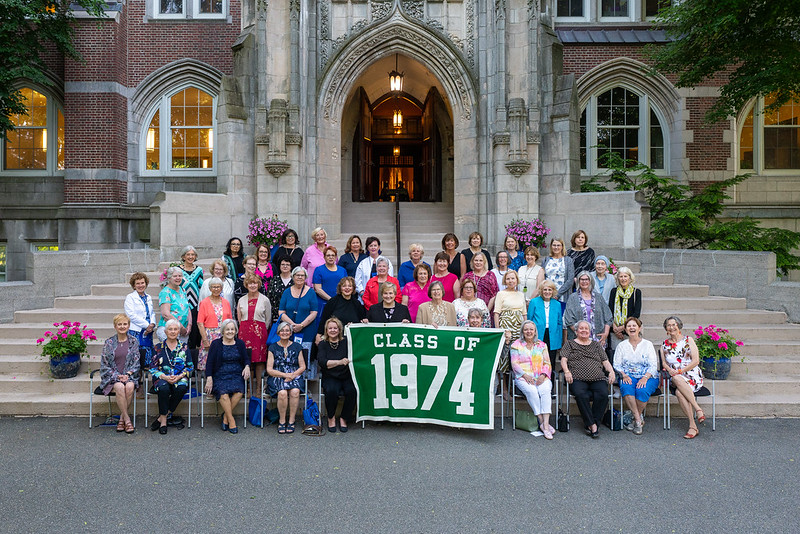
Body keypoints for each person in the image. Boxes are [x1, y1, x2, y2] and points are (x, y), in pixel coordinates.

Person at [560, 320, 616, 438]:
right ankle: (593, 425)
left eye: (586, 329)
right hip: (577, 377)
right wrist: (566, 371)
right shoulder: (570, 344)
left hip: (597, 377)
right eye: (581, 328)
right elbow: (563, 359)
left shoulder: (596, 345)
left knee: (603, 394)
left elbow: (605, 361)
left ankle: (591, 422)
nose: (584, 330)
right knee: (581, 395)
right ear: (576, 331)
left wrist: (611, 372)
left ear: (590, 332)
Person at [661, 315, 705, 439]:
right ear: (666, 329)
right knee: (675, 378)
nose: (671, 327)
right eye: (669, 325)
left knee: (680, 393)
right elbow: (664, 363)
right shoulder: (664, 345)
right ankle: (697, 410)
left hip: (691, 374)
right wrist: (670, 370)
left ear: (679, 326)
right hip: (675, 375)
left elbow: (696, 361)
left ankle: (693, 426)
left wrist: (681, 370)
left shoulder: (688, 340)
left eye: (674, 324)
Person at [204, 319, 251, 434]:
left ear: (235, 331)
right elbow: (209, 362)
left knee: (239, 391)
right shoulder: (216, 344)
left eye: (232, 329)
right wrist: (209, 378)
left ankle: (225, 417)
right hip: (220, 375)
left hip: (236, 374)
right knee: (223, 394)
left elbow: (246, 359)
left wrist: (247, 366)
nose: (230, 331)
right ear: (223, 331)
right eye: (227, 329)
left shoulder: (240, 343)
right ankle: (231, 420)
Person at [613, 317, 658, 435]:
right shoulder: (622, 346)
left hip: (648, 376)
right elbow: (617, 364)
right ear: (626, 330)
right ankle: (638, 420)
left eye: (634, 326)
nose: (631, 328)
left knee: (642, 390)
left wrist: (645, 377)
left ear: (639, 328)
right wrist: (624, 375)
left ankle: (634, 417)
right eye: (629, 326)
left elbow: (653, 365)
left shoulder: (648, 344)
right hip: (628, 375)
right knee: (627, 388)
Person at [510, 321, 554, 440]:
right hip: (523, 378)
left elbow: (547, 363)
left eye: (531, 329)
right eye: (526, 330)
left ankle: (545, 424)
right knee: (532, 392)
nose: (529, 332)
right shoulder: (516, 345)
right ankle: (542, 421)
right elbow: (514, 364)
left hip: (541, 377)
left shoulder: (542, 345)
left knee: (545, 390)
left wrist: (543, 375)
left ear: (535, 331)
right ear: (522, 332)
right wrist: (525, 375)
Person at [150, 319, 194, 435]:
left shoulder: (184, 347)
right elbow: (153, 368)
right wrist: (164, 377)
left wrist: (179, 377)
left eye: (175, 329)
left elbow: (190, 367)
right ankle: (164, 422)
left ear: (179, 332)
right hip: (162, 377)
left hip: (179, 377)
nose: (173, 332)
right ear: (165, 331)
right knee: (163, 388)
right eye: (170, 329)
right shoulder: (158, 347)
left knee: (181, 388)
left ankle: (161, 417)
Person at [99, 314, 140, 434]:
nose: (122, 326)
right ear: (115, 326)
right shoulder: (109, 342)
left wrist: (127, 374)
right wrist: (117, 376)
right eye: (120, 324)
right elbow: (104, 364)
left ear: (128, 325)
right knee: (120, 386)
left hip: (130, 376)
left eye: (125, 324)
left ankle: (122, 418)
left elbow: (136, 362)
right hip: (112, 378)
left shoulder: (134, 341)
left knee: (130, 386)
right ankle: (127, 420)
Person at [267, 322, 306, 434]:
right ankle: (282, 420)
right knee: (282, 393)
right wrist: (285, 375)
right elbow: (269, 369)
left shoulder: (297, 346)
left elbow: (303, 366)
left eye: (287, 330)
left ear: (291, 332)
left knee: (294, 391)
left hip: (294, 375)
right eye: (282, 330)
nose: (285, 332)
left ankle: (292, 420)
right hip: (278, 375)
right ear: (278, 332)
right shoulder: (272, 347)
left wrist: (292, 375)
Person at [318, 317, 355, 433]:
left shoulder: (346, 342)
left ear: (340, 330)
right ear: (326, 330)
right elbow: (323, 363)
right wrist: (339, 362)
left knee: (352, 391)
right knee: (331, 390)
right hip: (330, 376)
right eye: (330, 328)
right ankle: (331, 417)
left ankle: (344, 418)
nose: (333, 330)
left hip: (346, 375)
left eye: (335, 328)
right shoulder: (323, 344)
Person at [237, 274, 271, 393]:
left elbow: (268, 319)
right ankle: (249, 388)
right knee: (247, 360)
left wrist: (259, 330)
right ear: (246, 285)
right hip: (245, 333)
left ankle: (258, 389)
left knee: (260, 360)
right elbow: (239, 319)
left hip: (259, 333)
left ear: (259, 285)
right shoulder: (241, 300)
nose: (252, 285)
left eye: (255, 283)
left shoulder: (265, 300)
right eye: (250, 283)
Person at [564, 271, 612, 345]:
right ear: (578, 281)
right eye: (582, 279)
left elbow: (608, 317)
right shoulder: (573, 297)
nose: (584, 281)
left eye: (587, 279)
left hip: (598, 339)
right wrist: (582, 334)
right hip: (578, 339)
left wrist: (606, 333)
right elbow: (569, 319)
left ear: (590, 281)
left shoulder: (598, 297)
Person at [197, 277, 234, 371]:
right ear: (210, 288)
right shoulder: (204, 302)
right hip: (209, 336)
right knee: (209, 364)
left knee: (223, 364)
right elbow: (200, 323)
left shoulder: (226, 302)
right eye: (213, 287)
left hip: (224, 336)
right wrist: (205, 340)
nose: (216, 289)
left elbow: (230, 321)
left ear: (221, 288)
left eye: (218, 287)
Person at [278, 267, 319, 352]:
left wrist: (301, 325)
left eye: (302, 275)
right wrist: (292, 325)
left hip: (307, 331)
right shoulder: (286, 292)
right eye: (297, 275)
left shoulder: (311, 292)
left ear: (305, 278)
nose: (300, 277)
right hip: (289, 331)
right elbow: (281, 311)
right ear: (293, 277)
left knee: (305, 357)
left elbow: (314, 312)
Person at [315, 277, 367, 343]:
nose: (347, 288)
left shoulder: (357, 303)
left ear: (353, 288)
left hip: (353, 339)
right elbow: (324, 319)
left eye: (350, 286)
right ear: (340, 288)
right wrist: (319, 334)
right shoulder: (333, 301)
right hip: (334, 338)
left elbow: (362, 320)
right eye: (344, 286)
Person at [528, 280, 564, 371]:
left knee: (551, 360)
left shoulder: (557, 304)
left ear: (553, 291)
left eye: (549, 290)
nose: (547, 292)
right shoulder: (534, 302)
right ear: (541, 290)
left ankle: (550, 382)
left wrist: (559, 340)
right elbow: (529, 320)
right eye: (545, 290)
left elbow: (559, 323)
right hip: (538, 334)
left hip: (553, 336)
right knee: (537, 359)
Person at [608, 267, 642, 353]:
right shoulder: (614, 291)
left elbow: (636, 313)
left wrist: (623, 327)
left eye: (625, 276)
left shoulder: (636, 292)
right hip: (615, 330)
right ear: (618, 278)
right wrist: (615, 328)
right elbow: (610, 310)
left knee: (631, 353)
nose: (623, 279)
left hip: (630, 330)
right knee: (616, 353)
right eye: (621, 276)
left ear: (630, 278)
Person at [124, 272, 155, 360]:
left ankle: (146, 371)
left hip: (148, 331)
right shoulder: (130, 297)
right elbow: (131, 315)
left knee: (148, 354)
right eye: (138, 283)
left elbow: (151, 313)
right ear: (134, 286)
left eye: (142, 283)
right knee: (136, 355)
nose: (140, 285)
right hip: (136, 331)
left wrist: (152, 324)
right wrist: (146, 325)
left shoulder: (148, 297)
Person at [157, 266, 192, 343]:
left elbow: (187, 308)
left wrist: (189, 325)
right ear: (169, 278)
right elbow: (166, 314)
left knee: (181, 354)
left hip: (183, 331)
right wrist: (180, 327)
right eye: (175, 276)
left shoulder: (182, 289)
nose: (178, 278)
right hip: (169, 330)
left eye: (180, 276)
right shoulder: (165, 292)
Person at [179, 245, 204, 351]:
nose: (190, 257)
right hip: (182, 302)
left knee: (194, 328)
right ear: (183, 256)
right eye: (188, 254)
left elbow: (201, 285)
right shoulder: (178, 269)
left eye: (192, 254)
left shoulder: (199, 270)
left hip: (195, 302)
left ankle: (192, 352)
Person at [312, 246, 347, 322]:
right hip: (323, 303)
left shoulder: (342, 270)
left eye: (333, 255)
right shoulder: (319, 270)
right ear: (324, 257)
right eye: (328, 255)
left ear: (336, 257)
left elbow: (346, 287)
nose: (331, 257)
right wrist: (331, 300)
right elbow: (317, 289)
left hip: (339, 304)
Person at [541, 238, 575, 311]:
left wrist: (558, 294)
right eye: (554, 245)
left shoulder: (568, 260)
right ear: (551, 246)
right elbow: (542, 277)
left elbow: (570, 280)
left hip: (562, 295)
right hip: (547, 294)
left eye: (558, 245)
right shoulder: (546, 260)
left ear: (562, 247)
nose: (556, 247)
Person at [493, 271, 527, 340]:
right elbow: (496, 313)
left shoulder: (521, 294)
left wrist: (525, 329)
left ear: (517, 280)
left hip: (519, 328)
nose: (510, 281)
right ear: (505, 281)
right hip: (505, 328)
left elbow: (524, 314)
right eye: (508, 279)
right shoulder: (500, 294)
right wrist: (498, 330)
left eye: (513, 278)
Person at [268, 257, 294, 324]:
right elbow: (269, 297)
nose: (285, 266)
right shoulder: (274, 280)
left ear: (291, 267)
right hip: (276, 316)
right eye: (282, 264)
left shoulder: (295, 280)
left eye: (287, 264)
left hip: (292, 317)